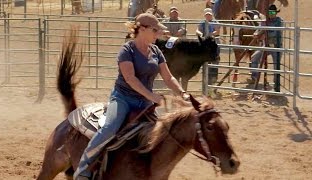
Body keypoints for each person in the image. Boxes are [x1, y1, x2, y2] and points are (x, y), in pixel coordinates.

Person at [73, 13, 189, 180]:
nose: (158, 34)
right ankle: (83, 169)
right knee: (110, 128)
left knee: (162, 135)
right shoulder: (127, 50)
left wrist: (182, 93)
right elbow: (130, 78)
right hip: (123, 99)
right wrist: (151, 96)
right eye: (155, 30)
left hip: (145, 103)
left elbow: (168, 77)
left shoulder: (156, 51)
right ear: (142, 29)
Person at [247, 4, 283, 92]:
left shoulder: (279, 21)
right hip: (265, 45)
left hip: (276, 46)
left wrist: (264, 35)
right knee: (254, 57)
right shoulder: (264, 21)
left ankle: (276, 84)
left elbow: (275, 33)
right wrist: (256, 33)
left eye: (273, 12)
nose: (271, 14)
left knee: (276, 64)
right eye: (270, 12)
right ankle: (254, 76)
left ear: (276, 13)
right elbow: (259, 29)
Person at [196, 8, 221, 85]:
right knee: (205, 60)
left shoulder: (215, 22)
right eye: (206, 15)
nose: (208, 16)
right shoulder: (202, 23)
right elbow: (197, 30)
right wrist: (200, 34)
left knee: (214, 60)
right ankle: (205, 79)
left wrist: (210, 34)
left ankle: (213, 79)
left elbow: (217, 31)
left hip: (214, 44)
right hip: (206, 45)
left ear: (211, 15)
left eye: (209, 15)